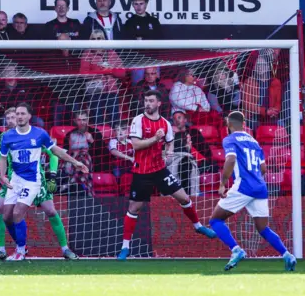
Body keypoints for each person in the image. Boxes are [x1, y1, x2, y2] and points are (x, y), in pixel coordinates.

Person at [118, 90, 216, 260]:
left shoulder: (165, 124)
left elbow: (170, 143)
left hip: (159, 170)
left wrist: (169, 154)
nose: (147, 104)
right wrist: (155, 139)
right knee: (134, 208)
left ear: (158, 104)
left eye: (150, 101)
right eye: (146, 100)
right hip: (141, 171)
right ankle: (125, 247)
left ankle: (198, 225)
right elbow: (136, 145)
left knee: (184, 198)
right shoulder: (138, 120)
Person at [0, 103, 89, 261]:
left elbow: (55, 151)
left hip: (33, 180)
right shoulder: (7, 136)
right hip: (15, 180)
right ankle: (21, 247)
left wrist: (75, 162)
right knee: (6, 216)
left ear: (29, 116)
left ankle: (25, 250)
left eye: (22, 114)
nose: (19, 117)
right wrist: (2, 175)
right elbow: (3, 157)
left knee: (27, 212)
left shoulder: (39, 134)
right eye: (17, 114)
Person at [209, 111, 296, 271]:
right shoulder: (254, 142)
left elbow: (230, 159)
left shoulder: (229, 139)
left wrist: (222, 184)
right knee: (263, 228)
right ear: (244, 124)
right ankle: (287, 255)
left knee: (215, 220)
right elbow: (263, 168)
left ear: (228, 124)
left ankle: (236, 250)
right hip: (260, 188)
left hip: (244, 186)